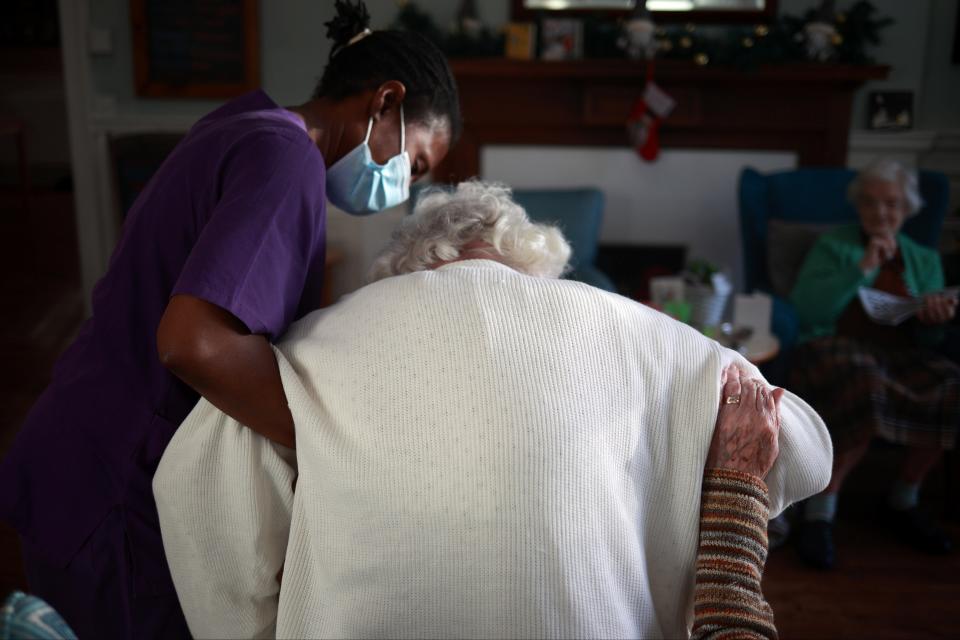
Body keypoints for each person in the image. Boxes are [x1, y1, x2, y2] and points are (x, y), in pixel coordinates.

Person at [154, 181, 829, 639]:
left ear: (409, 268)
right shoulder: (644, 333)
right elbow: (804, 449)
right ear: (536, 265)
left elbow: (195, 494)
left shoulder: (316, 338)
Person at [0, 1, 460, 637]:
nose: (404, 187)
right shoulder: (286, 160)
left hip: (75, 447)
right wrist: (337, 445)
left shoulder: (244, 122)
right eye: (414, 163)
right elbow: (195, 343)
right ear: (384, 102)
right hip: (112, 486)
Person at [789, 158, 958, 570]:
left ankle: (904, 498)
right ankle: (821, 511)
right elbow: (807, 309)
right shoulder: (835, 246)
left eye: (891, 204)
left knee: (952, 384)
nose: (880, 213)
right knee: (865, 382)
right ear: (858, 206)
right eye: (870, 203)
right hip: (835, 344)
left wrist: (935, 319)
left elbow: (931, 340)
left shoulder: (923, 259)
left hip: (901, 354)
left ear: (907, 209)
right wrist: (862, 267)